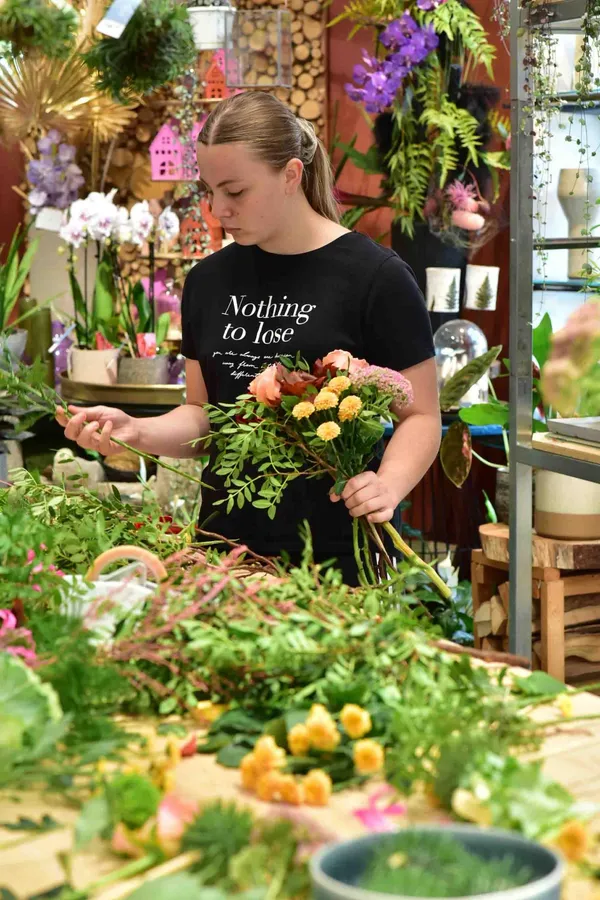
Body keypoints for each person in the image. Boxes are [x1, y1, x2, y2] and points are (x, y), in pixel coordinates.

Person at [56, 91, 441, 584]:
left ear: (291, 175)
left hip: (336, 561)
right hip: (221, 555)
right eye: (209, 190)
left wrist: (388, 485)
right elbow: (204, 415)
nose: (218, 209)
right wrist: (137, 430)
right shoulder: (207, 281)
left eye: (235, 192)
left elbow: (422, 415)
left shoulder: (376, 278)